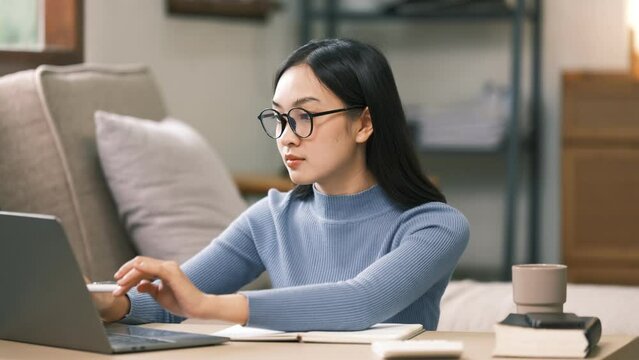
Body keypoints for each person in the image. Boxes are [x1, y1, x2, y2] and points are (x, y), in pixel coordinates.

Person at [93, 38, 469, 332]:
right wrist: (108, 301)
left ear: (364, 123)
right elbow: (173, 299)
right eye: (279, 118)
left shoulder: (435, 226)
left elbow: (360, 302)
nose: (286, 137)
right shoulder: (271, 218)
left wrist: (208, 306)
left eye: (304, 116)